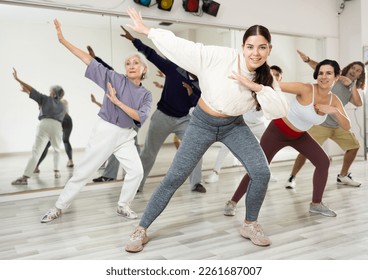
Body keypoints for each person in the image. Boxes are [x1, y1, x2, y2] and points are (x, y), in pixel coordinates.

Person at [124, 8, 290, 252]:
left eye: (262, 47)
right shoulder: (220, 57)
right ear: (242, 46)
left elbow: (280, 109)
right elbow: (186, 48)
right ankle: (141, 228)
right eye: (251, 46)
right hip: (202, 123)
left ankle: (250, 224)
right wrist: (149, 32)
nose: (256, 53)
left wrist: (254, 86)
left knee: (261, 172)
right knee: (174, 178)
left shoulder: (265, 77)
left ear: (269, 49)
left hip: (234, 126)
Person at [40, 19, 152, 222]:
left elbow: (139, 116)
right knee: (84, 171)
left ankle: (123, 205)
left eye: (136, 63)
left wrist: (117, 101)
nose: (131, 65)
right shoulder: (114, 79)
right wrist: (63, 40)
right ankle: (58, 207)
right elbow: (87, 60)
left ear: (144, 69)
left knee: (136, 171)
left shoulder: (146, 95)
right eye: (128, 63)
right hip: (106, 130)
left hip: (126, 135)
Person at [225, 59, 351, 219]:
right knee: (259, 169)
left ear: (337, 77)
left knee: (323, 162)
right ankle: (232, 202)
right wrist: (253, 78)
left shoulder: (335, 101)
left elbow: (347, 126)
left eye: (329, 73)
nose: (324, 76)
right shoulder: (305, 89)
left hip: (299, 135)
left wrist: (334, 111)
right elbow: (273, 87)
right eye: (320, 73)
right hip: (277, 131)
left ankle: (316, 204)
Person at [120, 26, 205, 193]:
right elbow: (152, 55)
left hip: (183, 120)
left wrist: (191, 93)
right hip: (163, 117)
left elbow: (199, 102)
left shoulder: (201, 82)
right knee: (149, 153)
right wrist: (134, 40)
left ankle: (196, 183)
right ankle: (137, 185)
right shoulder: (173, 69)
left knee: (196, 149)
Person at [285, 50, 365, 189]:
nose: (354, 71)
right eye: (353, 68)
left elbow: (358, 103)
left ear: (360, 75)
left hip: (338, 125)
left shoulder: (352, 89)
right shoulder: (334, 78)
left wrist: (352, 85)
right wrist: (308, 59)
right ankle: (292, 177)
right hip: (320, 124)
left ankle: (343, 176)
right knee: (304, 151)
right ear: (348, 68)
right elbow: (319, 67)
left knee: (354, 146)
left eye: (358, 71)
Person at [204, 65, 283, 183]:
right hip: (242, 121)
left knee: (269, 146)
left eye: (277, 75)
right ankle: (215, 172)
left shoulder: (275, 92)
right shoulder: (257, 84)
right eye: (272, 73)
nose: (274, 76)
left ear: (280, 78)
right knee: (226, 147)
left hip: (258, 124)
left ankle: (267, 172)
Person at [11, 68, 66, 185]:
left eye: (51, 91)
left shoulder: (45, 98)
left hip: (44, 124)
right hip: (57, 126)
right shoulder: (62, 105)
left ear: (53, 93)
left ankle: (25, 177)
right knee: (57, 150)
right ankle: (57, 172)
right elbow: (34, 95)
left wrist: (18, 79)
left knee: (37, 151)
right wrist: (27, 92)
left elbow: (32, 89)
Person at [34, 97, 74, 173]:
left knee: (47, 144)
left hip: (59, 120)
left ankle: (36, 166)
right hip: (67, 119)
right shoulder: (63, 101)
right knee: (66, 140)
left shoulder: (52, 103)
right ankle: (70, 161)